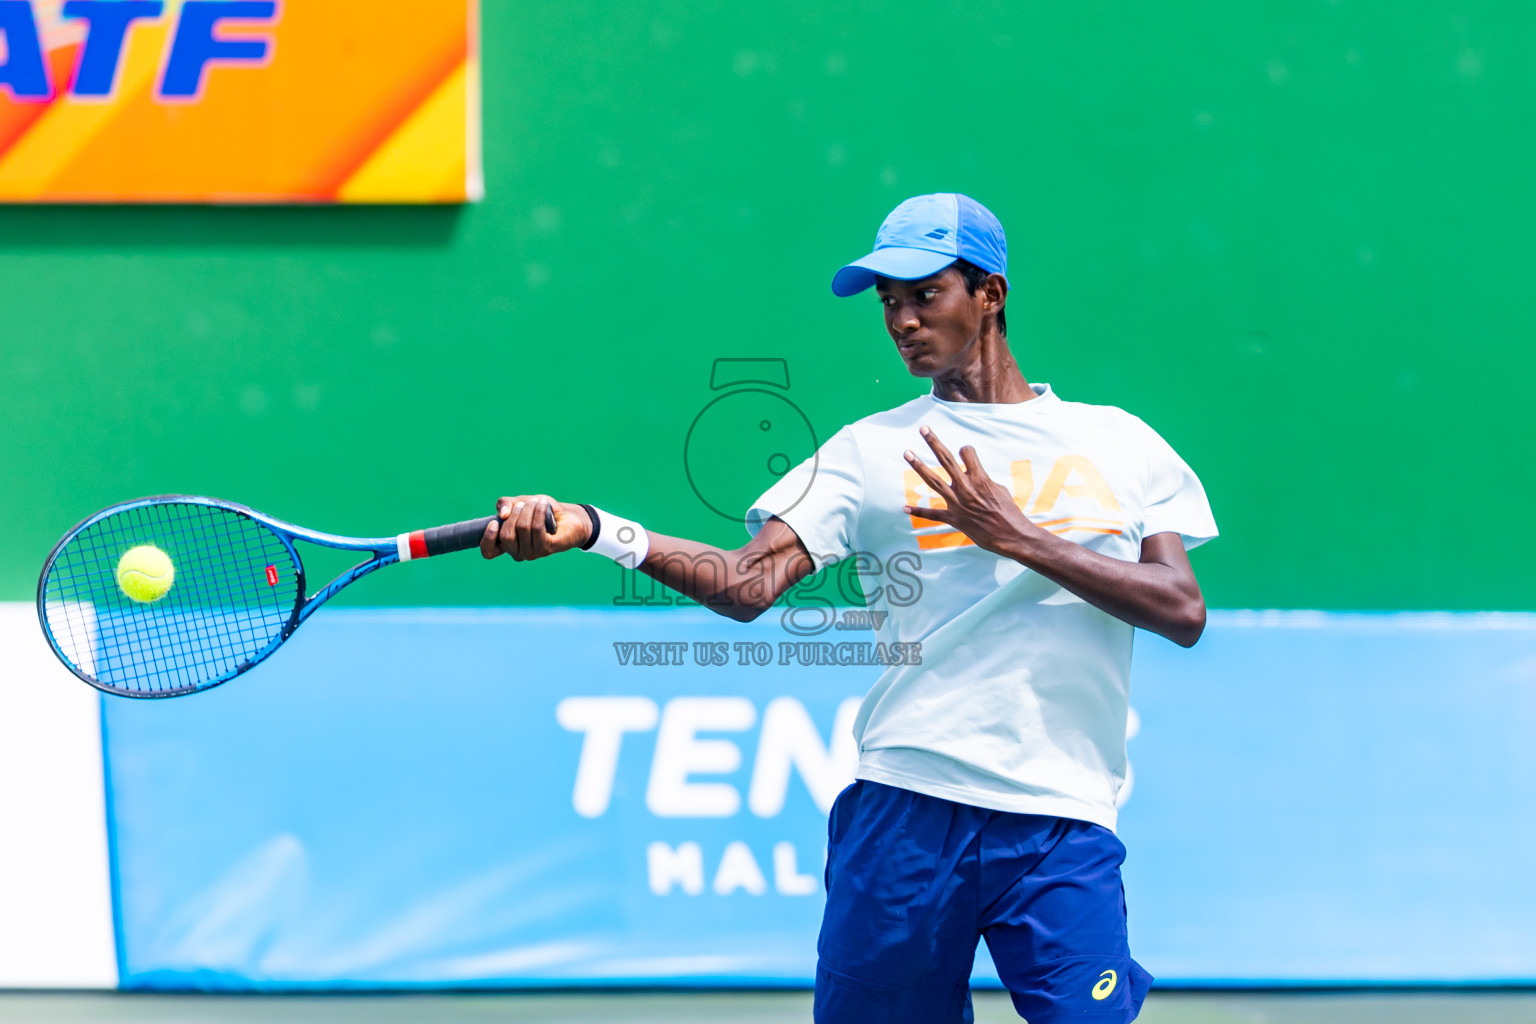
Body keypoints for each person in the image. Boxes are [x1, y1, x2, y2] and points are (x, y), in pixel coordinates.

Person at [481, 192, 1217, 1024]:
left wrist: (1016, 537)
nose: (902, 320)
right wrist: (594, 529)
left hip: (1059, 824)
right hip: (908, 807)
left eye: (924, 294)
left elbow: (1180, 609)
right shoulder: (872, 449)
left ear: (991, 293)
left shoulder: (1119, 441)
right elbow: (746, 584)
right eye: (888, 302)